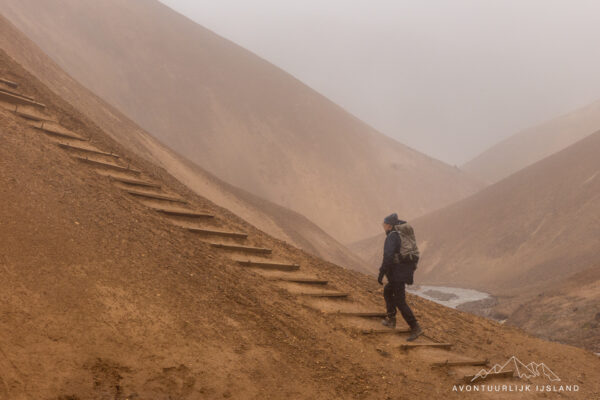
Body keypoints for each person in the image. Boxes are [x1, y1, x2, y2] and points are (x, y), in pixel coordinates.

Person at [377, 213, 423, 341]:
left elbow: (388, 256)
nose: (383, 226)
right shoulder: (399, 235)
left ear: (389, 225)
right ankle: (391, 319)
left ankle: (415, 327)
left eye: (384, 224)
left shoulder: (392, 236)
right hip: (402, 272)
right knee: (387, 291)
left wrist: (381, 273)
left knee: (400, 301)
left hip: (398, 273)